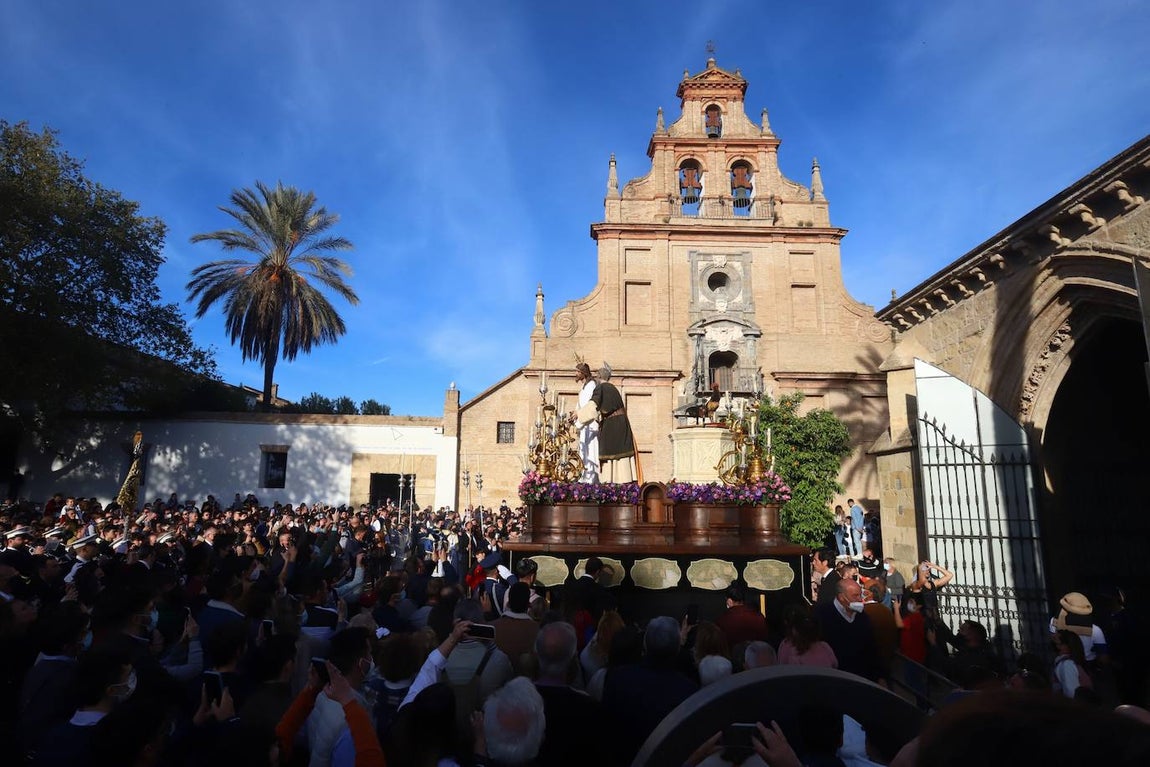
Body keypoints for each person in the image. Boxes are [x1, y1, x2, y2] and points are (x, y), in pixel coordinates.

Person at [591, 362, 637, 483]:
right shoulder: (613, 388)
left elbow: (593, 405)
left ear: (599, 376)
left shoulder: (601, 388)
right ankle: (624, 480)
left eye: (596, 375)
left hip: (612, 424)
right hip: (622, 423)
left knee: (611, 452)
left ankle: (610, 482)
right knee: (621, 454)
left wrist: (578, 415)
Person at [573, 362, 600, 484]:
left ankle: (591, 480)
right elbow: (580, 405)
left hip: (590, 423)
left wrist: (578, 414)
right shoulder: (584, 387)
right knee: (583, 451)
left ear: (583, 373)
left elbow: (590, 406)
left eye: (578, 371)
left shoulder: (591, 385)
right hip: (584, 424)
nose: (576, 374)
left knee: (591, 451)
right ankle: (583, 477)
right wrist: (575, 413)